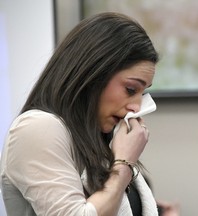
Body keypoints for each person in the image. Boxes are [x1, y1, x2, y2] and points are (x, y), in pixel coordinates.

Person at [0, 12, 160, 216]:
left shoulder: (100, 140)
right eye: (130, 89)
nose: (136, 107)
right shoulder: (36, 127)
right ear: (94, 73)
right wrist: (123, 164)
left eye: (142, 92)